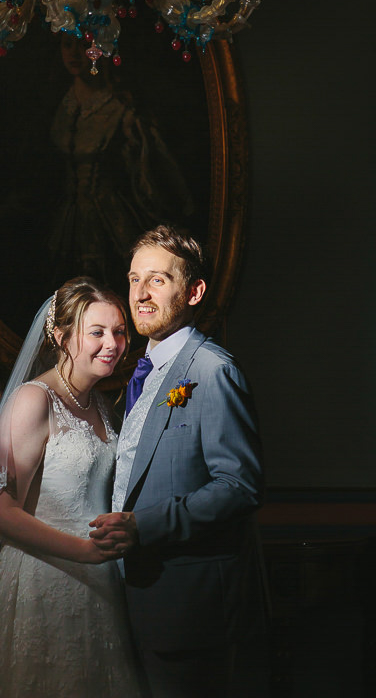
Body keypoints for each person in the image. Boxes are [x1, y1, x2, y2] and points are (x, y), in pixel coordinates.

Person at [89, 225, 268, 697]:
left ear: (194, 291)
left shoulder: (212, 370)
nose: (140, 295)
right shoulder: (142, 372)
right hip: (131, 596)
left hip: (187, 607)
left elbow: (239, 487)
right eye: (133, 279)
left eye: (158, 280)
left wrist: (142, 526)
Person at [0, 277, 147, 698]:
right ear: (61, 336)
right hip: (45, 579)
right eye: (96, 332)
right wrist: (85, 551)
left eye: (118, 331)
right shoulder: (34, 398)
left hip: (100, 584)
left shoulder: (96, 402)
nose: (112, 343)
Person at [47, 34, 194, 287]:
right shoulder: (60, 105)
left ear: (100, 50)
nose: (74, 54)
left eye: (84, 45)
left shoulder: (123, 110)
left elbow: (151, 175)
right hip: (66, 222)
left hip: (111, 220)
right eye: (67, 45)